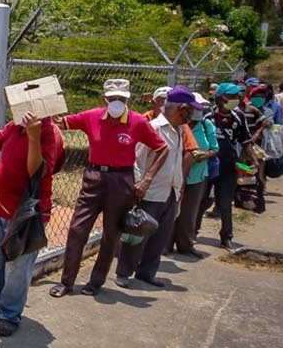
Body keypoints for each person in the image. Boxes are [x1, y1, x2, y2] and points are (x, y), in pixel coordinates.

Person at [50, 79, 168, 298]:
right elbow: (60, 122)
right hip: (94, 178)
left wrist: (146, 180)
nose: (116, 102)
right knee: (77, 229)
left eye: (121, 99)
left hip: (121, 180)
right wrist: (45, 108)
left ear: (127, 100)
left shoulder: (137, 122)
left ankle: (96, 282)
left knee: (110, 234)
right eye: (112, 98)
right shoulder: (91, 116)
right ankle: (67, 282)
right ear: (104, 99)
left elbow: (162, 149)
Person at [0, 95, 64, 337]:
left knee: (18, 268)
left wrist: (33, 137)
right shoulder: (13, 127)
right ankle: (1, 302)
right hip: (0, 209)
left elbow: (35, 172)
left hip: (27, 217)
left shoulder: (50, 133)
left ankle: (10, 314)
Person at [115, 87, 203, 289]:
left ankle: (147, 272)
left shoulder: (179, 130)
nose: (192, 114)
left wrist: (179, 185)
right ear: (181, 108)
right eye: (190, 110)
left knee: (160, 235)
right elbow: (138, 159)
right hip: (151, 191)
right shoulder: (153, 128)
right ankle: (124, 272)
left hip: (170, 190)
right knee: (138, 234)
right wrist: (139, 185)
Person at [210, 82, 258, 250]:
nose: (236, 100)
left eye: (237, 97)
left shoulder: (239, 117)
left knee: (225, 202)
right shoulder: (208, 115)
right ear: (219, 99)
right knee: (201, 201)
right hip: (208, 164)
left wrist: (253, 160)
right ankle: (190, 234)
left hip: (229, 164)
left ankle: (226, 236)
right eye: (231, 97)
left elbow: (246, 141)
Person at [174, 92, 218, 259]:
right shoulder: (177, 125)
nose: (197, 112)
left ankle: (185, 244)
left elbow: (214, 148)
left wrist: (203, 155)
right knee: (171, 210)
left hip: (197, 175)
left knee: (189, 211)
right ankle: (166, 244)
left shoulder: (206, 125)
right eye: (194, 108)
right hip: (175, 173)